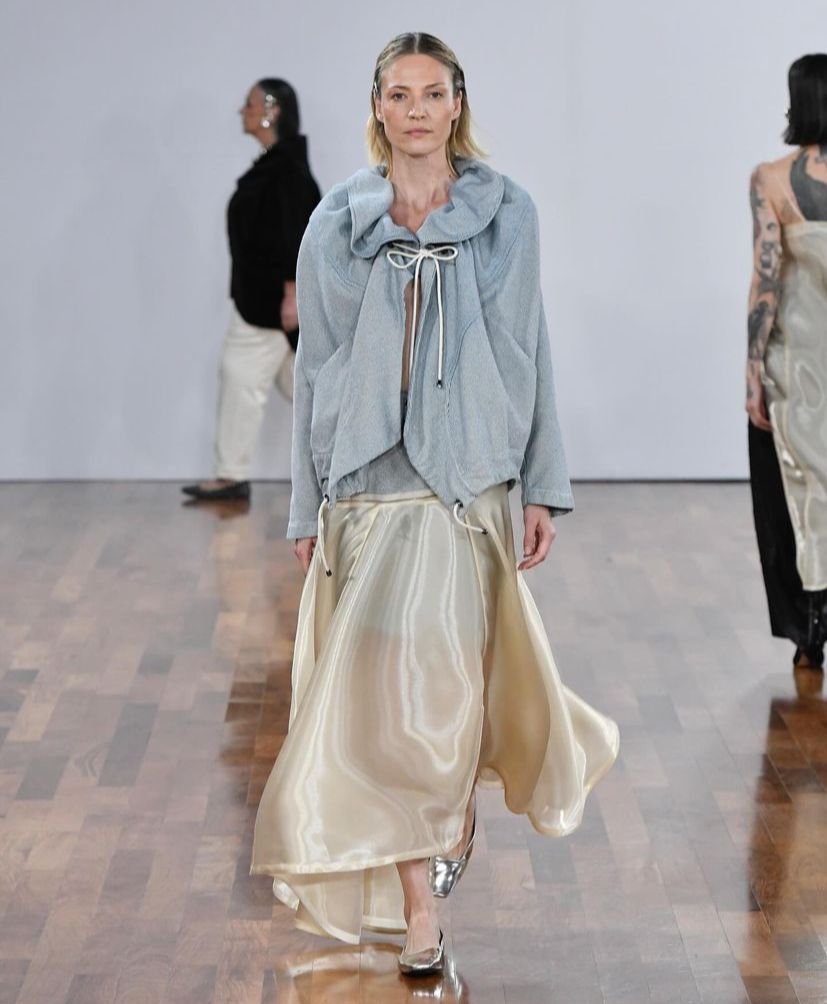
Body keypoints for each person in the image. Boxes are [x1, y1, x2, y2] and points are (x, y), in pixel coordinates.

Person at [250, 33, 619, 976]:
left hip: (464, 483)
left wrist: (542, 485)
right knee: (380, 698)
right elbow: (318, 367)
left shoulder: (506, 213)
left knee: (448, 684)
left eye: (431, 93)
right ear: (376, 107)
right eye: (398, 94)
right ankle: (420, 908)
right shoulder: (337, 221)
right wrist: (304, 508)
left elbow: (528, 347)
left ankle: (450, 813)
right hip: (368, 485)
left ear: (458, 103)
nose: (415, 110)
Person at [183, 79, 321, 503]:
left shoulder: (286, 172)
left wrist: (292, 295)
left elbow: (298, 235)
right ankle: (360, 465)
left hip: (268, 305)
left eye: (249, 104)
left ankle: (230, 476)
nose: (241, 111)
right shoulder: (277, 167)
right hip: (263, 300)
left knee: (242, 375)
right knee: (306, 389)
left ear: (271, 111)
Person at [747, 54, 827, 672]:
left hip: (799, 366)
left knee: (794, 495)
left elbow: (767, 281)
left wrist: (752, 370)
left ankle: (810, 628)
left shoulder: (772, 180)